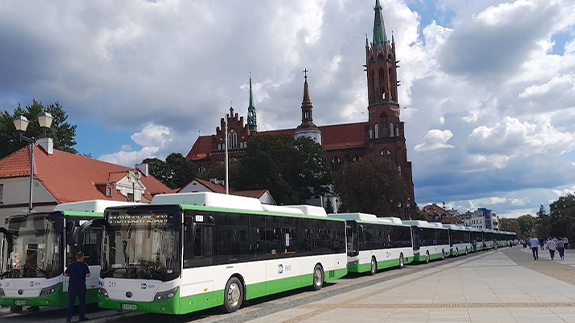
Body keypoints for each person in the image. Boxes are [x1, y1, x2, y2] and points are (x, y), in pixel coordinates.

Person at [65, 252, 91, 323]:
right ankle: (81, 317)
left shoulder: (71, 265)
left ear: (76, 257)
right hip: (81, 286)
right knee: (82, 302)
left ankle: (69, 318)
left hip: (72, 287)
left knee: (71, 303)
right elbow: (88, 275)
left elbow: (66, 274)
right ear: (82, 257)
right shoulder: (84, 265)